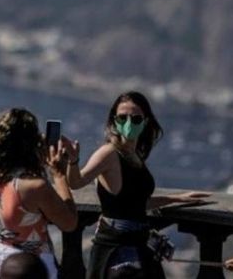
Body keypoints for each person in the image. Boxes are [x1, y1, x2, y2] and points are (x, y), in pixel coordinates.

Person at [62, 91, 210, 279]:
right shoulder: (109, 154)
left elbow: (137, 203)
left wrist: (177, 198)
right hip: (118, 250)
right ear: (114, 121)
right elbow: (76, 182)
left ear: (146, 121)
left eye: (136, 118)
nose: (128, 123)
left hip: (139, 244)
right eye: (122, 118)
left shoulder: (134, 156)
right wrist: (73, 161)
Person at [0, 108, 77, 279]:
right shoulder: (34, 187)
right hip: (28, 268)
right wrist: (59, 175)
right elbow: (69, 223)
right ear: (30, 143)